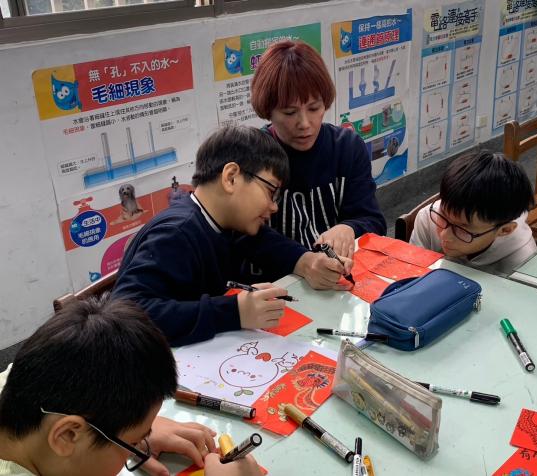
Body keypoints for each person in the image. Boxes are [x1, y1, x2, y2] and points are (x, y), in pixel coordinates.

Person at [112, 126, 352, 347]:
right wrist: (233, 312)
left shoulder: (222, 222)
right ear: (231, 178)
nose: (274, 206)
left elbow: (265, 242)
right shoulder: (177, 233)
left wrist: (308, 262)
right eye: (270, 191)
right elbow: (123, 317)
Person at [0, 296, 262, 476]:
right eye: (135, 444)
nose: (137, 449)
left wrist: (136, 430)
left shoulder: (20, 385)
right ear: (68, 435)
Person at [250, 40, 386, 259]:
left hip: (335, 269)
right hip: (277, 275)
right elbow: (242, 237)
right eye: (289, 113)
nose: (305, 124)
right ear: (268, 111)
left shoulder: (347, 148)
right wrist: (301, 261)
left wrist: (349, 228)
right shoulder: (252, 155)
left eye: (314, 108)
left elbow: (373, 221)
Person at [410, 151, 537, 275]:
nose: (444, 235)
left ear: (505, 230)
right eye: (443, 216)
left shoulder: (521, 264)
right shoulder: (428, 218)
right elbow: (411, 272)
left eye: (462, 228)